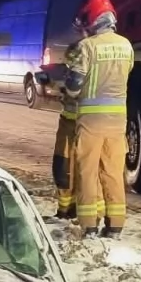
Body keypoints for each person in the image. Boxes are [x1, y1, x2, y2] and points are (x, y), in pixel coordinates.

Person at [64, 0, 135, 239]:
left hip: (91, 122)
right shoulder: (126, 45)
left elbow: (74, 86)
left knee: (88, 172)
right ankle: (115, 224)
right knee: (113, 172)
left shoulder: (87, 47)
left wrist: (70, 89)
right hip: (118, 122)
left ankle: (89, 224)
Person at [48, 43, 82, 222]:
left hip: (79, 124)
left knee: (75, 167)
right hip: (69, 122)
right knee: (63, 166)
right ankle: (65, 209)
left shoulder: (84, 65)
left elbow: (76, 90)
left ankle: (71, 209)